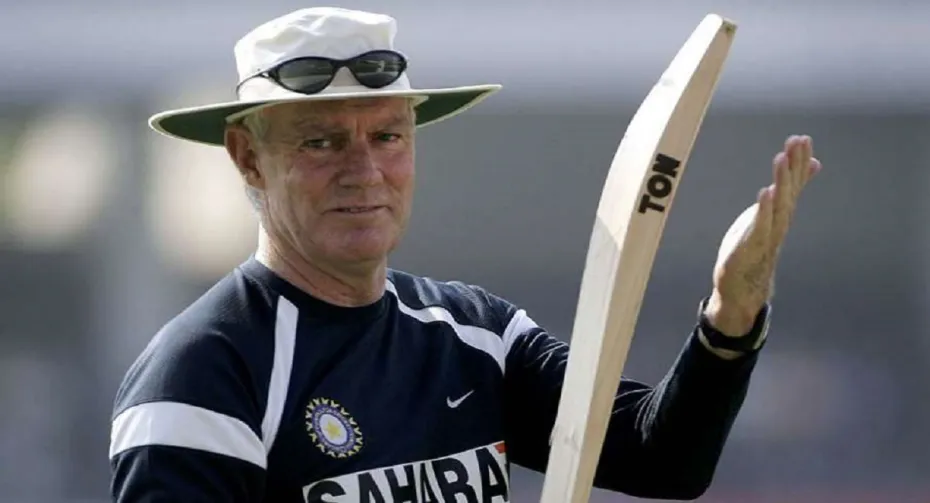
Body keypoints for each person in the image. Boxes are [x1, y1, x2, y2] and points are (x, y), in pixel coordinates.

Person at [108, 7, 822, 503]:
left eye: (387, 136)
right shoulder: (201, 375)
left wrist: (732, 314)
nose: (364, 171)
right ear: (247, 157)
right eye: (321, 142)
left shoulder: (477, 334)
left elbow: (662, 459)